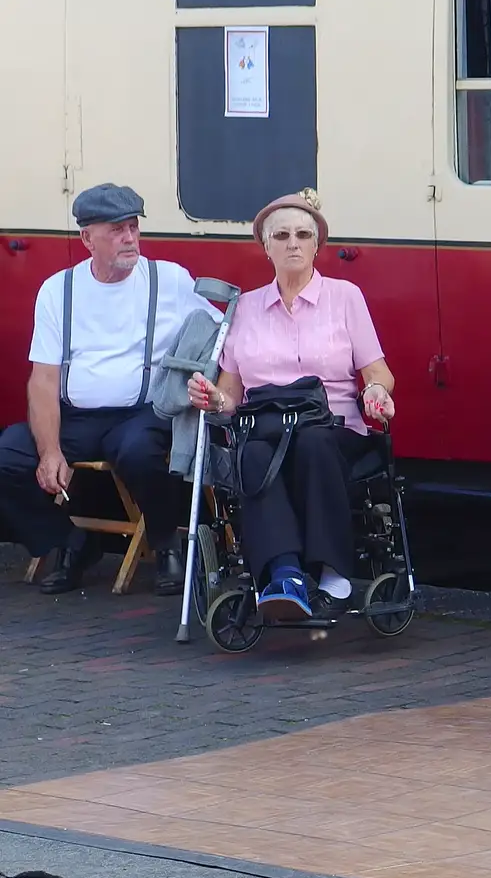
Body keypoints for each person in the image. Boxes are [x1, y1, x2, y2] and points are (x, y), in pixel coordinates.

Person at [185, 190, 396, 622]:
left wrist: (376, 392)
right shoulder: (244, 308)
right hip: (265, 430)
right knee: (255, 453)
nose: (293, 243)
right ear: (266, 247)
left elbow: (378, 371)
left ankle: (332, 571)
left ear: (318, 244)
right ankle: (285, 576)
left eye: (303, 234)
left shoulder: (345, 297)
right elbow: (231, 394)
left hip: (333, 427)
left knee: (314, 443)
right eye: (281, 236)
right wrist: (212, 397)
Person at [0, 183, 215, 595]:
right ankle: (70, 542)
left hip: (140, 412)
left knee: (141, 452)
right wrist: (50, 450)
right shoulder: (58, 290)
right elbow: (43, 378)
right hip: (77, 416)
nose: (130, 238)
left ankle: (166, 544)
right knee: (8, 456)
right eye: (116, 230)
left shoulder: (169, 280)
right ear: (86, 238)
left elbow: (221, 334)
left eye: (133, 227)